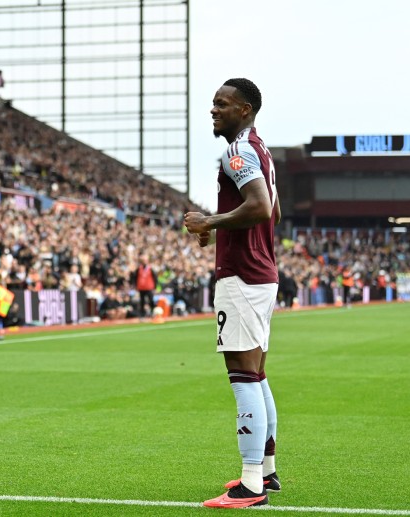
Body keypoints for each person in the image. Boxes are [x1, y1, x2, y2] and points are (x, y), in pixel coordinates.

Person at [184, 78, 281, 509]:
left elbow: (260, 207)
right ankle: (266, 470)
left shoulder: (238, 150)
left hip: (242, 275)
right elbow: (273, 209)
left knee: (242, 373)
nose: (213, 110)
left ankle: (249, 486)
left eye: (222, 104)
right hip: (260, 271)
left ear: (244, 109)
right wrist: (220, 223)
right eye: (212, 103)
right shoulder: (260, 148)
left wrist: (211, 222)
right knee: (256, 372)